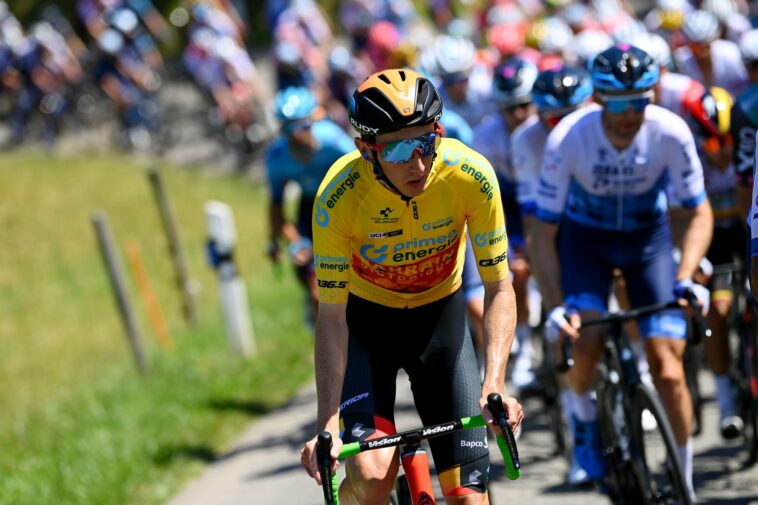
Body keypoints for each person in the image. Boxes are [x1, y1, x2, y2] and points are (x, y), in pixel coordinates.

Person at [300, 68, 523, 504]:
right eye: (400, 148)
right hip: (368, 329)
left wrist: (494, 381)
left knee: (467, 497)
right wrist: (327, 422)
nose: (418, 163)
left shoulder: (470, 175)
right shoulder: (337, 198)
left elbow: (499, 287)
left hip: (441, 324)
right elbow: (331, 317)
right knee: (370, 478)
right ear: (366, 149)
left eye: (426, 141)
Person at [532, 44, 713, 500]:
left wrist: (687, 274)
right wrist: (554, 307)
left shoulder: (670, 132)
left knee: (668, 370)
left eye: (640, 100)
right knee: (587, 339)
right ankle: (584, 418)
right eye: (618, 102)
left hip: (646, 243)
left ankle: (683, 477)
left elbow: (698, 211)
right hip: (585, 244)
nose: (630, 114)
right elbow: (541, 233)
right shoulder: (569, 138)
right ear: (598, 99)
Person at [510, 64, 595, 486]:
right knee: (563, 327)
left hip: (599, 226)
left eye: (572, 115)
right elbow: (533, 220)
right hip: (553, 230)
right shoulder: (526, 140)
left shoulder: (603, 126)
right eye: (552, 119)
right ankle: (582, 434)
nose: (561, 127)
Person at [683, 86, 745, 439]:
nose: (720, 150)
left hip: (742, 228)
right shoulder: (689, 151)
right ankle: (726, 402)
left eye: (726, 141)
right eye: (711, 142)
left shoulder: (747, 143)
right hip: (713, 239)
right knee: (717, 312)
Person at [473, 57, 537, 393]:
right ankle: (525, 348)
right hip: (504, 205)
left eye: (525, 105)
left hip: (540, 200)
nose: (518, 115)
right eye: (509, 108)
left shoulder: (546, 128)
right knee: (517, 273)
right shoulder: (485, 136)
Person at [265, 87, 354, 325]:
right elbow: (276, 207)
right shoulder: (276, 156)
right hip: (310, 209)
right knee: (317, 292)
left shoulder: (333, 140)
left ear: (313, 121)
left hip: (346, 204)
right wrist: (288, 241)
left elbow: (368, 174)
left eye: (302, 126)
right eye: (287, 129)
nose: (296, 135)